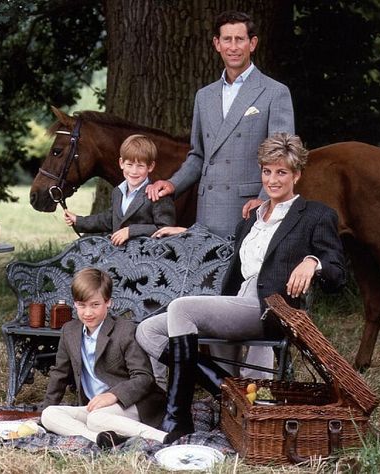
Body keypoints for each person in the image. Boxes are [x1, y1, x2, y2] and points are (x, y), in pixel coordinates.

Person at [136, 133, 347, 442]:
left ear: (297, 174)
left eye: (281, 172)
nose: (273, 180)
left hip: (271, 307)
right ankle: (232, 391)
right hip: (238, 301)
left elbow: (338, 273)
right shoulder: (252, 218)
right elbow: (233, 253)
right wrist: (184, 231)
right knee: (148, 329)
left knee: (181, 308)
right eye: (267, 171)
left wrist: (313, 262)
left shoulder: (315, 215)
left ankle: (177, 417)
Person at [146, 10, 295, 377]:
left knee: (241, 293)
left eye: (240, 39)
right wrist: (173, 184)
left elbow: (282, 154)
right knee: (209, 288)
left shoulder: (274, 92)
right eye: (226, 39)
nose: (233, 46)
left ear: (252, 43)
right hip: (209, 211)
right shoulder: (204, 96)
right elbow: (198, 155)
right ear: (216, 44)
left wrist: (265, 197)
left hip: (249, 212)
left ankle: (249, 381)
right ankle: (208, 373)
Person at [41, 268, 168, 449]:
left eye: (95, 305)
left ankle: (161, 437)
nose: (87, 313)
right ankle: (100, 438)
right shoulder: (69, 331)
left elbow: (144, 377)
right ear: (75, 304)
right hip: (95, 409)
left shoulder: (125, 330)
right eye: (81, 305)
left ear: (108, 302)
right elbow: (59, 374)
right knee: (49, 415)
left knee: (96, 419)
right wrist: (44, 415)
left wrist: (113, 395)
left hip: (132, 403)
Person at [64, 134, 175, 245]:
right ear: (121, 163)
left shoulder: (157, 194)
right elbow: (108, 219)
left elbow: (165, 229)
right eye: (129, 164)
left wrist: (130, 231)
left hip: (145, 259)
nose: (134, 171)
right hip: (118, 256)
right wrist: (79, 221)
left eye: (140, 166)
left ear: (150, 167)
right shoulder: (118, 192)